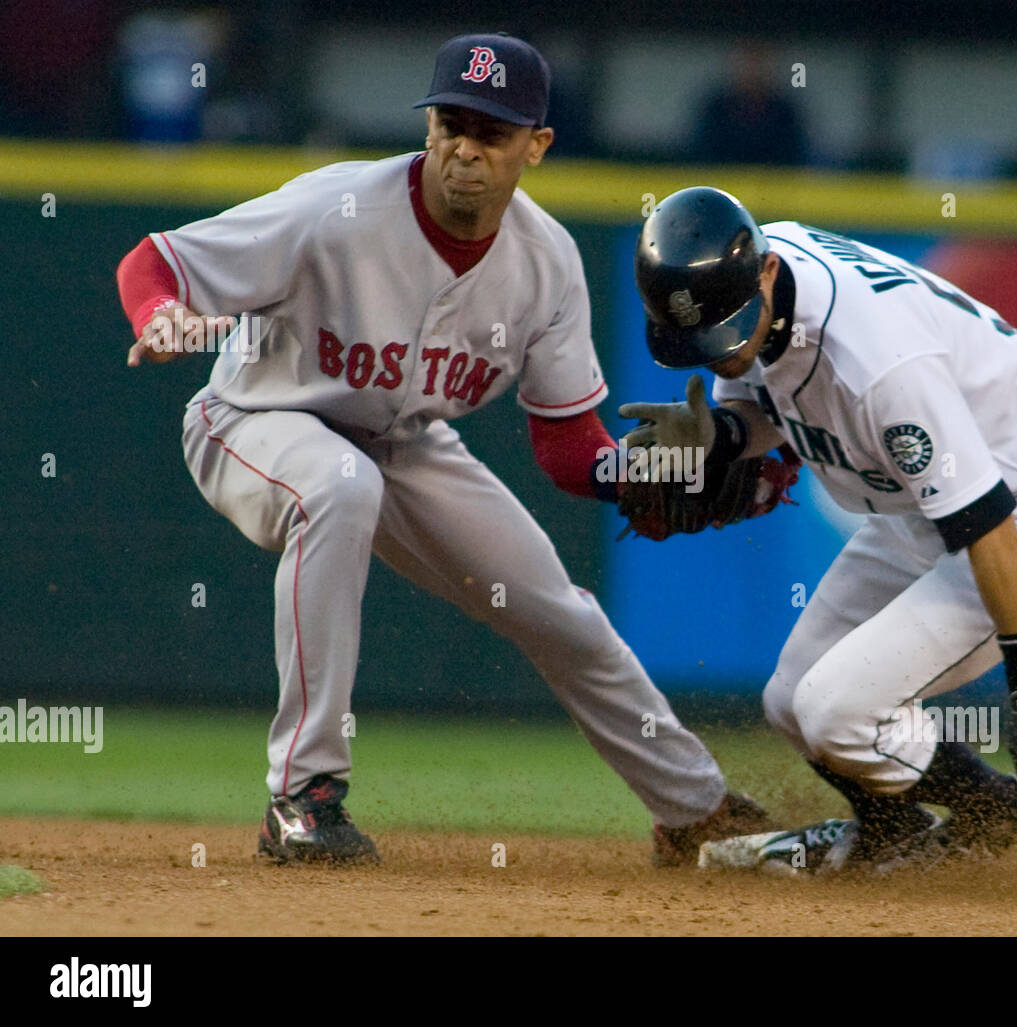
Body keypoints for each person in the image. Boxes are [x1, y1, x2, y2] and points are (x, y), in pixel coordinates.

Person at [114, 34, 768, 866]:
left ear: (536, 146)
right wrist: (160, 315)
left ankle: (695, 808)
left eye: (490, 132)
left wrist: (641, 470)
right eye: (449, 122)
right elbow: (155, 261)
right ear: (427, 127)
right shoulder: (336, 208)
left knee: (558, 610)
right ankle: (302, 797)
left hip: (402, 443)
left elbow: (569, 446)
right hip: (249, 418)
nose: (464, 146)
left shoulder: (548, 264)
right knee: (338, 485)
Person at [618, 187, 1017, 873]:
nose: (723, 356)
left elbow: (987, 521)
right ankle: (891, 830)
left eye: (728, 333)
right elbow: (769, 392)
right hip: (922, 506)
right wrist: (726, 433)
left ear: (765, 274)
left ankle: (992, 809)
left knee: (836, 712)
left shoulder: (880, 365)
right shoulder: (760, 277)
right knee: (791, 699)